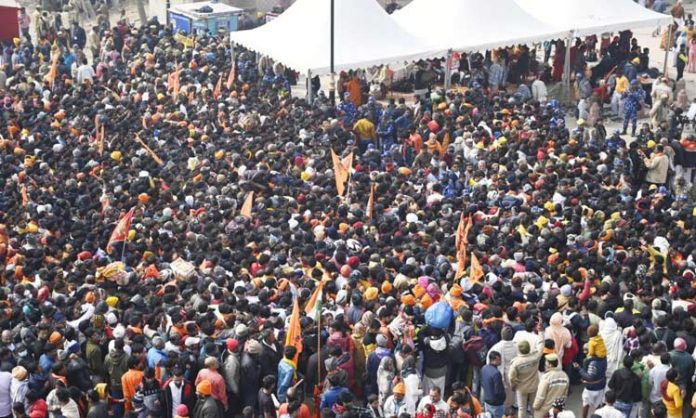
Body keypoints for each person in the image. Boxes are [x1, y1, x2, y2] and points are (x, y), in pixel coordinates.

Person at [481, 351, 506, 418]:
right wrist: (503, 398)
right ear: (495, 359)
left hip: (487, 400)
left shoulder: (484, 368)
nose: (501, 361)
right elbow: (499, 391)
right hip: (496, 403)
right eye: (499, 359)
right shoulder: (496, 373)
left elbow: (483, 383)